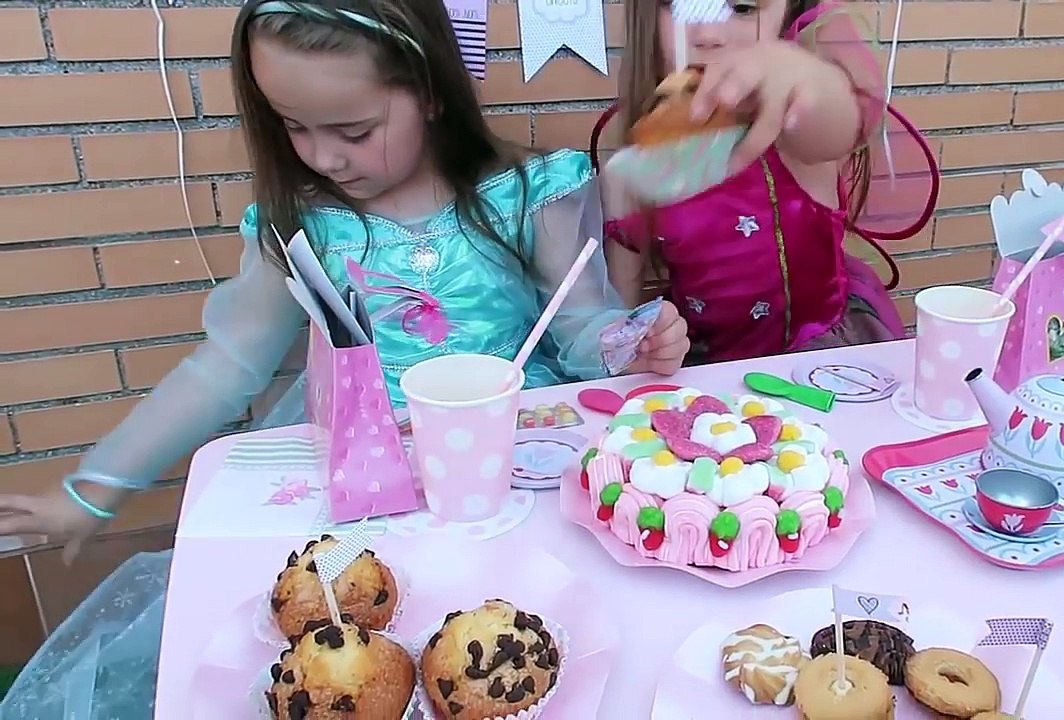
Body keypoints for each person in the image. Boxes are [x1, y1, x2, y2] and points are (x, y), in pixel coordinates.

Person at [0, 1, 688, 715]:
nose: (323, 157)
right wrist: (90, 492)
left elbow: (578, 326)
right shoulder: (299, 224)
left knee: (542, 640)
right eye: (293, 127)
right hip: (359, 489)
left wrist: (625, 341)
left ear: (429, 91)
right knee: (341, 654)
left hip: (509, 466)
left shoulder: (529, 193)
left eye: (353, 130)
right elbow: (224, 367)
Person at [598, 0, 938, 364]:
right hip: (705, 375)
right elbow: (620, 323)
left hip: (818, 364)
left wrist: (807, 76)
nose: (708, 34)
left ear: (787, 15)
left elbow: (837, 122)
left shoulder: (796, 132)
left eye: (743, 7)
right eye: (682, 7)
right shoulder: (632, 170)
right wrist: (648, 346)